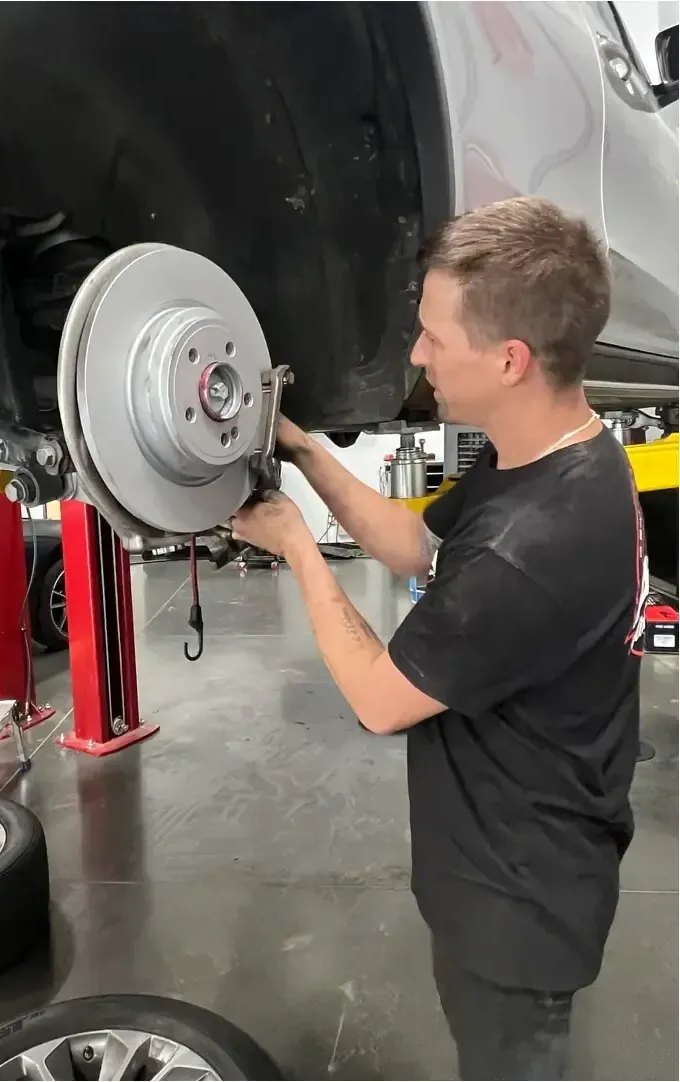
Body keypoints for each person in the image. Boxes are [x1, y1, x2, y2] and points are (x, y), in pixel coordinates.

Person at [230, 196, 645, 1081]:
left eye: (432, 337)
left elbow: (381, 701)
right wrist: (305, 454)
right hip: (520, 854)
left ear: (509, 359)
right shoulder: (557, 453)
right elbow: (420, 543)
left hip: (517, 902)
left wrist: (299, 549)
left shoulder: (533, 546)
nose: (416, 355)